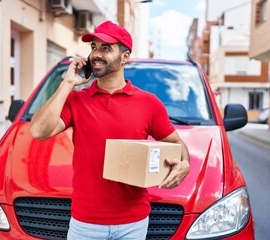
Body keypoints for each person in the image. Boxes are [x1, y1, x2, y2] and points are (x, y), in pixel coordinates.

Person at [30, 20, 190, 240]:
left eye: (106, 48)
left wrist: (185, 164)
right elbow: (39, 131)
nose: (96, 54)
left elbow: (177, 145)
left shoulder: (149, 103)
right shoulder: (77, 100)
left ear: (125, 57)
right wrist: (67, 84)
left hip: (133, 222)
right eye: (93, 48)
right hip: (85, 223)